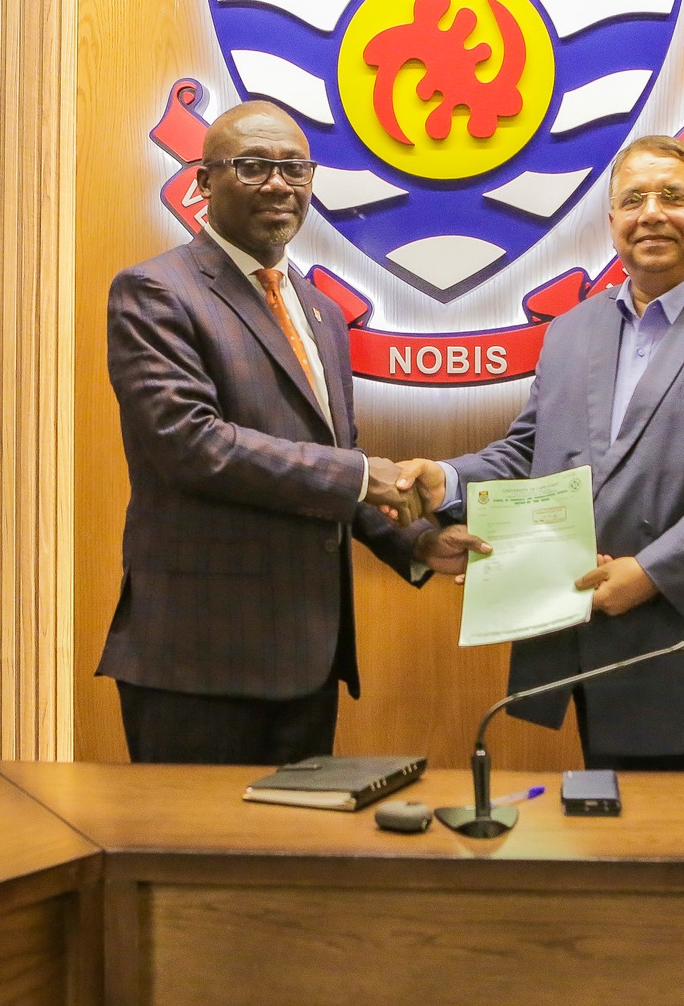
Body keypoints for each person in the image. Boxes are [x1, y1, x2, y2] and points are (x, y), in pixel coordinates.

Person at [410, 135, 684, 772]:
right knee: (621, 861)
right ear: (612, 225)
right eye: (633, 200)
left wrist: (653, 571)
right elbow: (531, 451)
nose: (651, 213)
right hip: (600, 659)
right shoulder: (573, 332)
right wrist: (444, 481)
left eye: (674, 197)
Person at [98, 100, 460, 764]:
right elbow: (192, 446)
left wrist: (419, 541)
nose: (278, 184)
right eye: (253, 165)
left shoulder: (319, 310)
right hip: (199, 662)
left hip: (306, 659)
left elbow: (331, 461)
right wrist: (358, 475)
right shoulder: (156, 291)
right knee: (199, 865)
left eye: (295, 169)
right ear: (203, 183)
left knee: (289, 860)